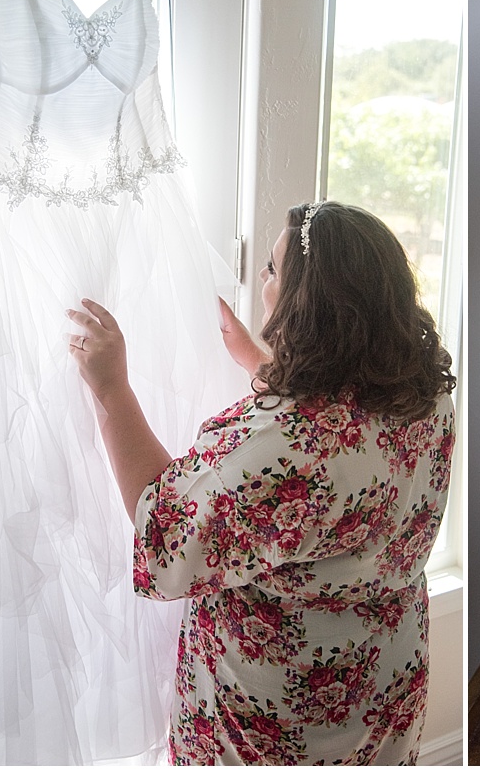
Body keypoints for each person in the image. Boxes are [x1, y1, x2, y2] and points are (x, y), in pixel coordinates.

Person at [67, 200, 457, 764]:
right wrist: (258, 360)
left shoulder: (281, 447)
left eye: (273, 269)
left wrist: (112, 391)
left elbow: (167, 535)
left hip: (280, 720)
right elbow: (348, 440)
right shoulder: (425, 391)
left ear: (308, 304)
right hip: (384, 684)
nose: (263, 278)